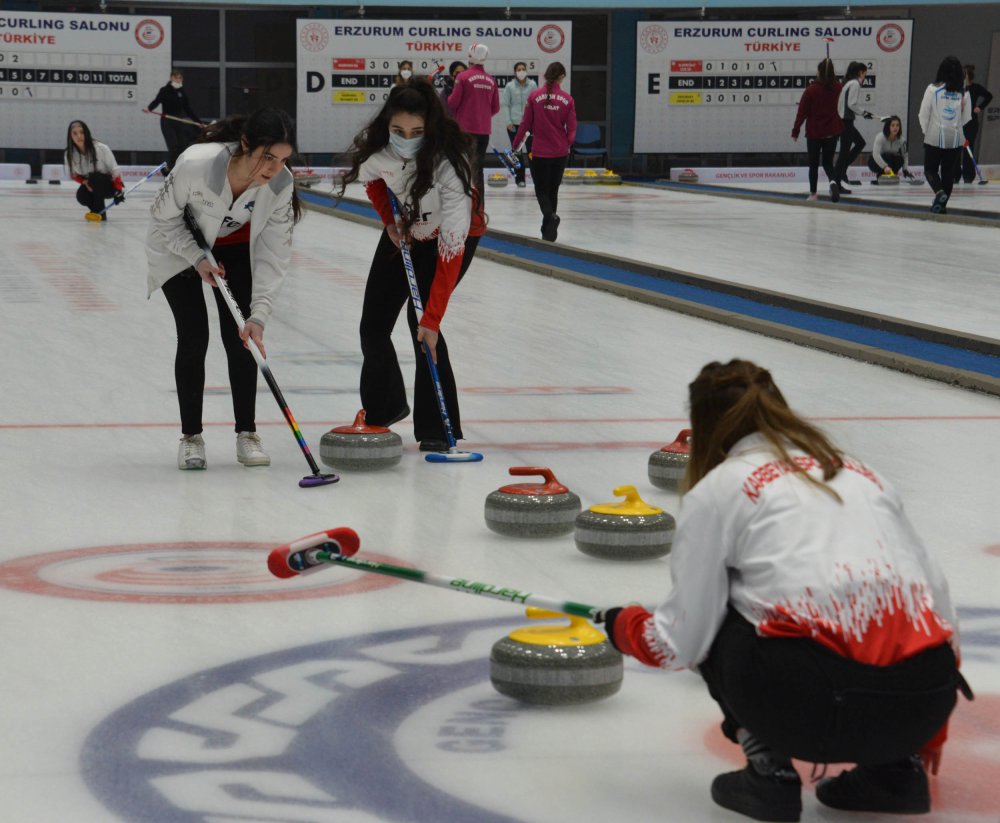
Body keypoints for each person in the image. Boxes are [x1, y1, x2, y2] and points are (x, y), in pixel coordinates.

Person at [597, 359, 969, 823]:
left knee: (723, 613)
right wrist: (930, 729)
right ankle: (895, 774)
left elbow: (680, 642)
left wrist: (626, 626)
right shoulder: (863, 475)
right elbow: (940, 606)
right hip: (923, 702)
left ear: (706, 426)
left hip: (812, 707)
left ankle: (769, 773)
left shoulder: (719, 489)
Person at [146, 108, 301, 470]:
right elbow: (162, 218)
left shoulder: (281, 184)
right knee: (193, 334)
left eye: (283, 159)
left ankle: (247, 433)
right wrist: (195, 257)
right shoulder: (196, 164)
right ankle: (191, 437)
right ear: (245, 144)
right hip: (177, 245)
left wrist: (259, 315)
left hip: (234, 247)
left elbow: (274, 254)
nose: (275, 168)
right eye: (268, 157)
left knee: (242, 337)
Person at [339, 81, 485, 453]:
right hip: (407, 227)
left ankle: (436, 426)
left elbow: (451, 251)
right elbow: (373, 181)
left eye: (416, 132)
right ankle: (383, 408)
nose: (406, 139)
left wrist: (432, 320)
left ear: (430, 127)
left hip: (451, 239)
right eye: (398, 131)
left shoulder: (450, 164)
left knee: (420, 326)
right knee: (373, 325)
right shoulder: (378, 150)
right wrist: (390, 221)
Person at [513, 62, 576, 242]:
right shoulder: (568, 99)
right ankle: (547, 232)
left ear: (546, 76)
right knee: (553, 190)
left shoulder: (534, 96)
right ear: (562, 77)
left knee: (541, 189)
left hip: (540, 152)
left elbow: (525, 124)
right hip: (560, 152)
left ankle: (550, 217)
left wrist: (516, 145)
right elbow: (572, 127)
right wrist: (567, 143)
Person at [919, 56, 972, 213]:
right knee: (948, 172)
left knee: (930, 170)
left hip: (934, 136)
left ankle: (939, 192)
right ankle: (941, 206)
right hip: (955, 138)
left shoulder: (932, 89)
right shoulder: (964, 93)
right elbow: (966, 118)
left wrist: (926, 131)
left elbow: (923, 114)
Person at [448, 43, 499, 198]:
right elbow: (495, 108)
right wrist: (481, 116)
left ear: (470, 56)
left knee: (462, 167)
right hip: (484, 131)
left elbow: (453, 103)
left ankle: (463, 201)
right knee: (478, 169)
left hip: (465, 131)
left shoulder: (462, 77)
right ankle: (479, 206)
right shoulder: (491, 80)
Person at [790, 59, 842, 201]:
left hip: (814, 133)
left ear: (819, 72)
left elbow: (802, 112)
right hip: (832, 132)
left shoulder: (811, 90)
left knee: (813, 165)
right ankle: (833, 182)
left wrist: (795, 131)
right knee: (828, 163)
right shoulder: (838, 87)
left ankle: (813, 193)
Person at [63, 120, 124, 221]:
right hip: (90, 184)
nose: (79, 136)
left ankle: (101, 214)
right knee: (81, 196)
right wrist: (84, 182)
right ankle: (97, 212)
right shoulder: (69, 154)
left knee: (95, 178)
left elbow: (115, 170)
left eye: (82, 132)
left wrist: (118, 190)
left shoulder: (101, 148)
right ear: (70, 136)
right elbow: (73, 174)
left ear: (86, 133)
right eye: (75, 133)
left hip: (108, 186)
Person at [831, 61, 874, 201]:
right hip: (846, 121)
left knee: (859, 143)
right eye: (865, 73)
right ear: (860, 72)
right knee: (844, 152)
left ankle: (841, 172)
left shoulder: (848, 83)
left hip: (843, 120)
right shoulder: (855, 84)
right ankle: (836, 183)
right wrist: (864, 113)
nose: (865, 76)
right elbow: (852, 104)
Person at [144, 69, 203, 171]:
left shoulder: (182, 91)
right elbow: (156, 101)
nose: (179, 80)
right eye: (177, 78)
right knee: (173, 146)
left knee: (182, 146)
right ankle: (170, 169)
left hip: (179, 121)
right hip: (167, 122)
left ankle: (177, 168)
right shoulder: (164, 90)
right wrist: (149, 108)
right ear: (172, 78)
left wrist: (198, 122)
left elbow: (188, 109)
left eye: (180, 78)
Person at [500, 61, 537, 187]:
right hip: (514, 125)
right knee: (517, 153)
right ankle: (520, 179)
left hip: (529, 125)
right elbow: (505, 104)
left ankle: (536, 178)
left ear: (526, 71)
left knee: (532, 153)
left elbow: (536, 104)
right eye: (518, 69)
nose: (521, 71)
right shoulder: (510, 86)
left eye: (523, 69)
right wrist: (508, 121)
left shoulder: (532, 85)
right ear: (515, 72)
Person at [956, 64, 993, 183]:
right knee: (955, 148)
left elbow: (989, 96)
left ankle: (968, 176)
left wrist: (980, 107)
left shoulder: (976, 88)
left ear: (968, 76)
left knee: (968, 148)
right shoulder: (957, 88)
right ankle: (955, 175)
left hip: (971, 123)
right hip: (957, 122)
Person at [868, 115, 913, 182]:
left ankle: (890, 177)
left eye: (897, 125)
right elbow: (876, 154)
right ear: (888, 126)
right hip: (874, 162)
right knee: (888, 157)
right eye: (893, 125)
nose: (895, 128)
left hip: (889, 162)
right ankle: (880, 176)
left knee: (899, 159)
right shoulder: (880, 137)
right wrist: (885, 166)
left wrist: (905, 169)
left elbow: (905, 156)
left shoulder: (902, 140)